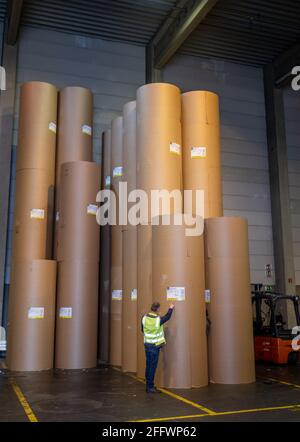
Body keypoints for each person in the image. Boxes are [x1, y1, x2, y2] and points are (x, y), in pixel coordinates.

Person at [141, 302, 174, 393]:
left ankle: (148, 385)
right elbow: (167, 317)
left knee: (148, 365)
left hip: (147, 345)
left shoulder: (144, 318)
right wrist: (171, 308)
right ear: (158, 309)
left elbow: (142, 330)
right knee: (152, 367)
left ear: (151, 308)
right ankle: (150, 387)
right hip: (154, 346)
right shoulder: (158, 320)